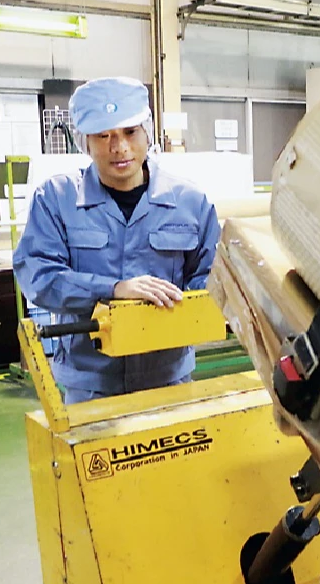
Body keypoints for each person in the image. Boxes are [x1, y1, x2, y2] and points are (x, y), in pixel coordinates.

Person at [13, 77, 220, 405]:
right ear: (84, 141)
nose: (119, 147)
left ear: (147, 132)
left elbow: (212, 277)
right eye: (103, 135)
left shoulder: (190, 202)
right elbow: (39, 277)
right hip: (91, 385)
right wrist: (113, 289)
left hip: (168, 379)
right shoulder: (56, 200)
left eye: (130, 132)